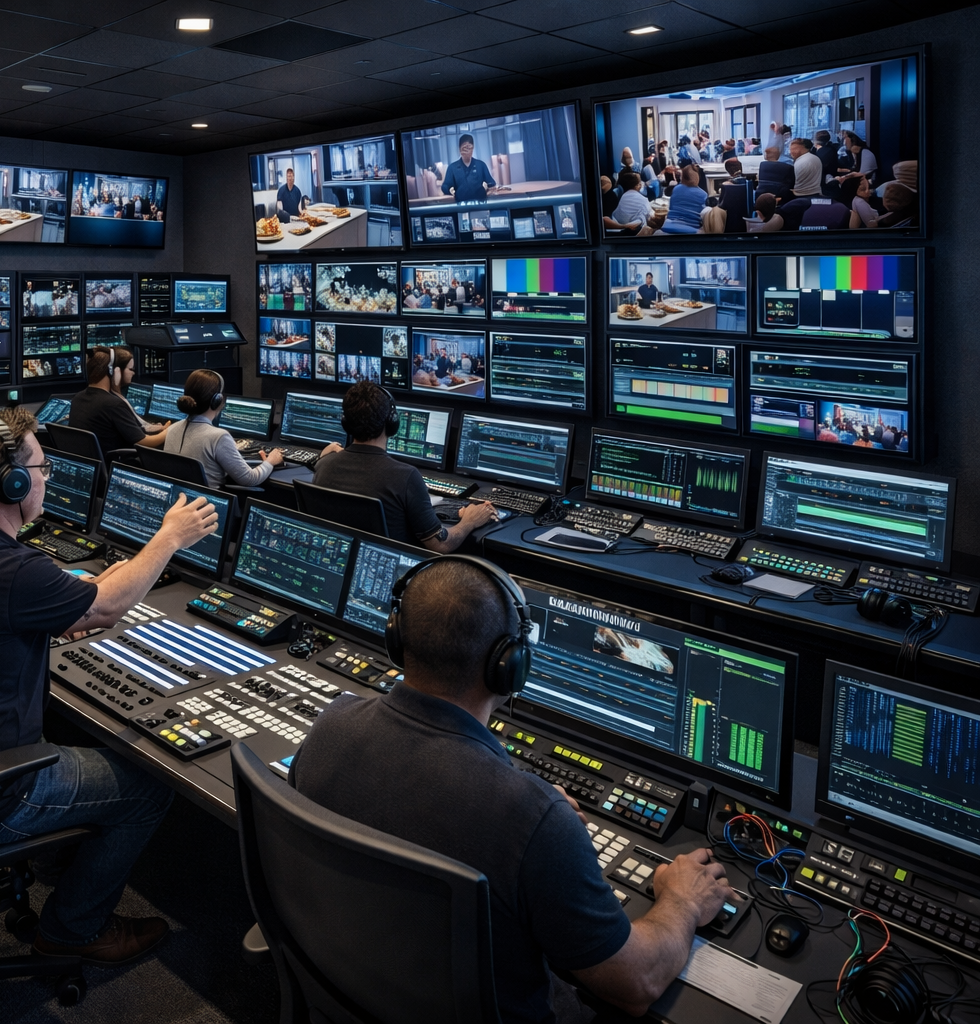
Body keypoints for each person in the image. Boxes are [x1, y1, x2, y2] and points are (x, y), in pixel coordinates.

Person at [288, 557, 735, 1024]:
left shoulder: (330, 726)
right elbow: (636, 983)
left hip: (352, 989)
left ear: (397, 639)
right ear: (509, 666)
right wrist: (682, 902)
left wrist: (537, 823)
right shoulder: (530, 817)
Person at [0, 407, 220, 964]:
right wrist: (168, 539)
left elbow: (73, 605)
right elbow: (106, 607)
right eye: (40, 470)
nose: (45, 479)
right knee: (152, 786)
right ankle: (72, 927)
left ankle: (51, 862)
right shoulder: (13, 572)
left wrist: (92, 585)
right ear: (9, 484)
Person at [311, 383, 496, 551]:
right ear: (392, 423)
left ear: (345, 423)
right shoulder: (405, 477)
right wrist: (470, 521)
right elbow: (441, 544)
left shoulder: (323, 466)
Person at [161, 370, 282, 489]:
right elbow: (250, 479)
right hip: (209, 505)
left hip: (180, 502)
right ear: (217, 400)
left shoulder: (172, 429)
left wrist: (227, 447)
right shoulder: (218, 437)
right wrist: (270, 462)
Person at [69, 348, 167, 453]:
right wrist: (171, 431)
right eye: (131, 369)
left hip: (94, 463)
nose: (133, 373)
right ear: (113, 371)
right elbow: (144, 442)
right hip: (115, 463)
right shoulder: (112, 404)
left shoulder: (77, 398)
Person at [442, 133, 497, 203]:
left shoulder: (481, 165)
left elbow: (492, 183)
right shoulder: (452, 168)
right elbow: (445, 186)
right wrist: (450, 190)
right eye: (464, 148)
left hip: (481, 204)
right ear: (459, 149)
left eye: (469, 148)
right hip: (461, 206)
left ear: (473, 148)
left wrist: (486, 187)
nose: (467, 151)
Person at [658, 164, 706, 233]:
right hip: (692, 229)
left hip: (669, 226)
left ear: (682, 177)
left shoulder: (676, 189)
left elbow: (671, 207)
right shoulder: (703, 195)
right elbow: (703, 216)